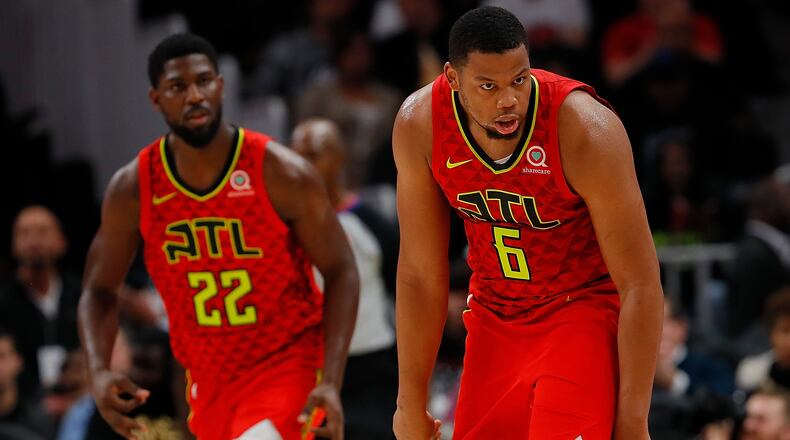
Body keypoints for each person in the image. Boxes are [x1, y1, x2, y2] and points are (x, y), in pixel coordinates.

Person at [392, 7, 664, 440]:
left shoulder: (585, 128)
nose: (508, 100)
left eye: (519, 79)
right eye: (488, 85)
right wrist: (409, 401)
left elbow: (641, 285)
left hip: (579, 311)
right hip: (493, 317)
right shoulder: (420, 124)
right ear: (453, 78)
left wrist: (633, 421)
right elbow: (420, 274)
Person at [77, 33, 359, 440]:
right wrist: (98, 371)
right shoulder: (134, 188)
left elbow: (341, 269)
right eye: (178, 86)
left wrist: (331, 379)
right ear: (156, 99)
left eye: (204, 81)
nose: (195, 95)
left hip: (287, 364)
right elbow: (98, 290)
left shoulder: (281, 172)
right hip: (208, 380)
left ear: (221, 85)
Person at [293, 118, 397, 439]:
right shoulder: (283, 227)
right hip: (308, 367)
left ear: (339, 159)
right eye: (296, 154)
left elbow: (404, 292)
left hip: (371, 367)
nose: (301, 164)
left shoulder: (372, 224)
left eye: (313, 154)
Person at [0, 205, 82, 397]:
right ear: (13, 245)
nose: (34, 240)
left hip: (79, 398)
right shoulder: (3, 301)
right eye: (25, 233)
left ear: (62, 241)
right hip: (22, 403)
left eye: (43, 232)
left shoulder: (82, 294)